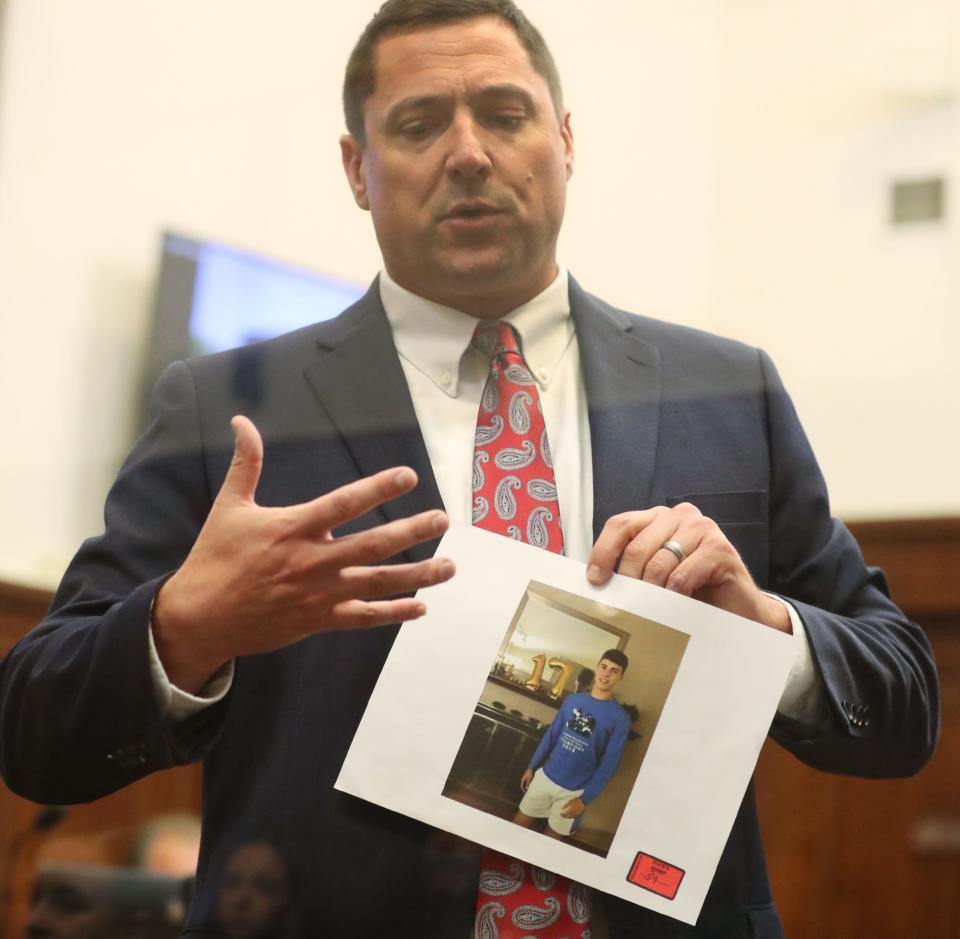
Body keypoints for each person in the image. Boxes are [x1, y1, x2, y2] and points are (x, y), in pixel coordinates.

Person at [0, 1, 939, 936]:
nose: (469, 154)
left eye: (504, 113)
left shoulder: (727, 391)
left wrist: (767, 632)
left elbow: (903, 701)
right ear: (356, 169)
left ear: (565, 139)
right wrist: (182, 628)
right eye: (417, 125)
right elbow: (35, 733)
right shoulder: (228, 411)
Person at [515, 650, 631, 840]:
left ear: (620, 677)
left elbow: (610, 764)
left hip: (574, 792)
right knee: (516, 827)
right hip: (545, 777)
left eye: (613, 671)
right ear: (597, 668)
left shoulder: (620, 718)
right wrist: (532, 766)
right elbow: (551, 735)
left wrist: (585, 800)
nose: (606, 674)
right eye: (603, 667)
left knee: (549, 843)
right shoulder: (573, 700)